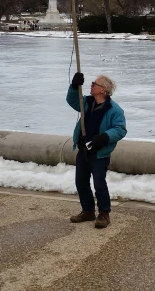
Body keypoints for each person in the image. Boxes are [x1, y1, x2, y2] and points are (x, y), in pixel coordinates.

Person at [67, 72, 127, 229]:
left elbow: (120, 129)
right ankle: (87, 211)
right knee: (81, 182)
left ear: (103, 90)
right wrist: (74, 86)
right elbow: (72, 100)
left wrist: (105, 137)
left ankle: (104, 213)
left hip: (99, 153)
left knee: (99, 183)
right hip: (83, 149)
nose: (91, 85)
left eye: (95, 84)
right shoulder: (86, 102)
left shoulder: (114, 109)